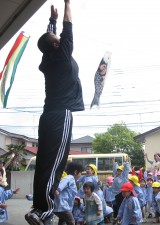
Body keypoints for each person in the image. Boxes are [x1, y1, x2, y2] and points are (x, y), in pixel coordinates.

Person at [25, 1, 84, 224]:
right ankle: (45, 209)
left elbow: (49, 40)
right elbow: (68, 25)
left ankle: (37, 209)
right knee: (56, 163)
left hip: (48, 116)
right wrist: (67, 3)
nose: (62, 40)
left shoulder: (48, 59)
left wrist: (52, 22)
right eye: (59, 40)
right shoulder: (61, 54)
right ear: (58, 45)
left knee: (44, 162)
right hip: (61, 115)